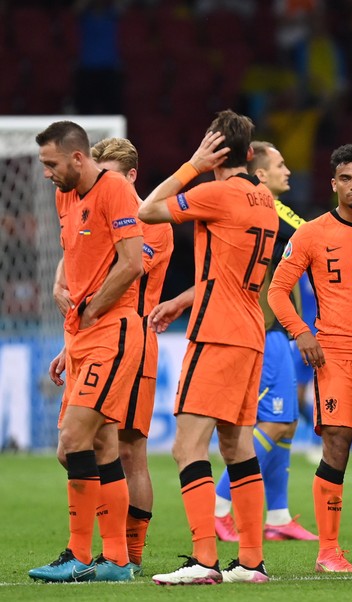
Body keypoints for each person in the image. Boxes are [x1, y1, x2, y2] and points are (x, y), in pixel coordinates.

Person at [140, 110, 278, 585]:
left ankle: (204, 560)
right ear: (251, 153)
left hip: (217, 333)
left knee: (186, 446)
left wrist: (192, 164)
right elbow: (227, 269)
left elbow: (146, 209)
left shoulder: (216, 191)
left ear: (215, 149)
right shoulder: (264, 200)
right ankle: (252, 562)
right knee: (236, 444)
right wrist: (183, 298)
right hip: (248, 331)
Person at [268, 144, 352, 573]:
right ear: (333, 185)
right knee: (337, 445)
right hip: (335, 358)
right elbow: (276, 291)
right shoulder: (310, 234)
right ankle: (328, 551)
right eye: (346, 179)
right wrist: (302, 333)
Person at [30, 121, 144, 583]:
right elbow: (80, 260)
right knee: (95, 444)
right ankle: (116, 561)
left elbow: (132, 263)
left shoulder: (114, 188)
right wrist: (70, 336)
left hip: (113, 331)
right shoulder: (65, 196)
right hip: (81, 337)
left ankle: (81, 554)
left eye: (51, 164)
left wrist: (93, 311)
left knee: (73, 441)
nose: (46, 174)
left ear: (78, 158)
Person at [213, 141, 317, 543]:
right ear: (259, 175)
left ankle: (276, 514)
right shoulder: (268, 209)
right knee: (274, 420)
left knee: (286, 421)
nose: (288, 170)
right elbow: (314, 236)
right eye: (279, 164)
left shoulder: (260, 210)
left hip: (273, 327)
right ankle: (221, 507)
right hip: (264, 326)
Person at [91, 137, 173, 574]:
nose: (105, 185)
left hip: (134, 338)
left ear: (132, 176)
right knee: (82, 444)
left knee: (129, 450)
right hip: (98, 336)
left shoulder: (152, 222)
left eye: (112, 176)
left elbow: (125, 274)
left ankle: (130, 555)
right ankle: (96, 549)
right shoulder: (99, 215)